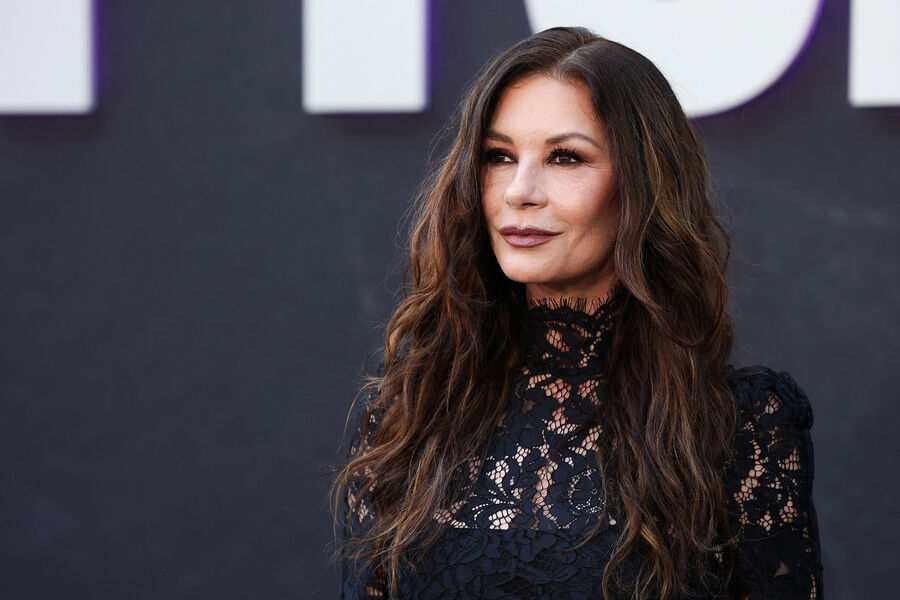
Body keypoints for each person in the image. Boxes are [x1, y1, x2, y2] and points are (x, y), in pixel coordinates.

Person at [333, 27, 823, 600]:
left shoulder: (739, 427)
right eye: (498, 156)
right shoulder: (406, 414)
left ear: (641, 184)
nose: (519, 191)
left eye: (566, 157)